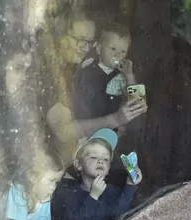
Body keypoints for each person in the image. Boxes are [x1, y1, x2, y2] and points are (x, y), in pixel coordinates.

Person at [36, 8, 147, 168]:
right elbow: (63, 131)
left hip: (113, 144)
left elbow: (139, 106)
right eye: (79, 39)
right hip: (65, 162)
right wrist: (114, 120)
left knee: (130, 173)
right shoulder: (53, 74)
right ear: (60, 35)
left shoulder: (85, 68)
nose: (84, 47)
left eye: (88, 41)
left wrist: (130, 79)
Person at [51, 128, 142, 220]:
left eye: (106, 159)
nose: (101, 161)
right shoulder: (70, 195)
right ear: (78, 165)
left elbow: (120, 218)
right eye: (94, 157)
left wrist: (129, 185)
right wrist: (93, 196)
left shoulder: (113, 191)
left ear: (109, 167)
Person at [0, 149, 65, 220]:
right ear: (33, 177)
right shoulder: (18, 190)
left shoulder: (45, 198)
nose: (54, 187)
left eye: (56, 182)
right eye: (51, 180)